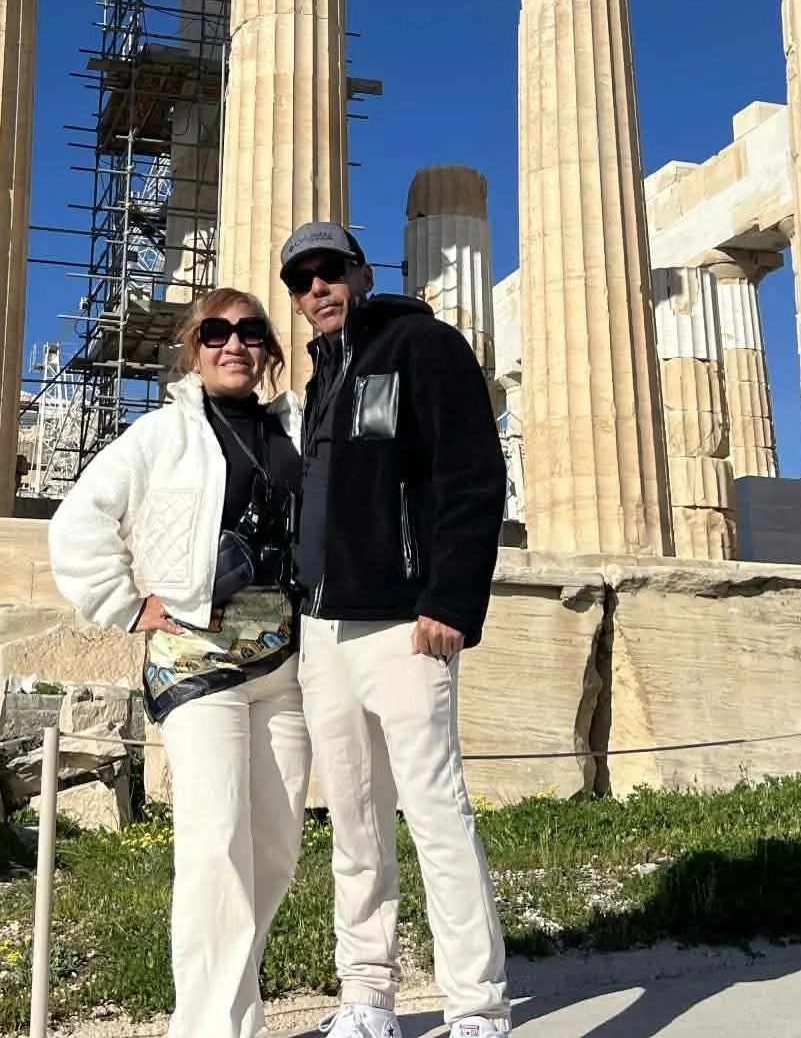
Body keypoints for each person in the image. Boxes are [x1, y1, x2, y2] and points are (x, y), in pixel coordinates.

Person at [49, 288, 308, 1038]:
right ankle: (209, 1028)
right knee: (213, 841)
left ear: (268, 350)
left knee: (275, 845)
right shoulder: (160, 435)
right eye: (217, 333)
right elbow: (81, 521)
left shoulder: (291, 428)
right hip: (196, 659)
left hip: (286, 661)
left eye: (252, 333)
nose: (235, 345)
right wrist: (128, 604)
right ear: (193, 349)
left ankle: (235, 1006)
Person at [279, 221, 511, 1038]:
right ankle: (367, 996)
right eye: (300, 280)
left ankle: (477, 1007)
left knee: (436, 813)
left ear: (362, 271)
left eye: (329, 270)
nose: (315, 289)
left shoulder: (424, 345)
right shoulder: (321, 378)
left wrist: (449, 599)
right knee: (354, 822)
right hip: (324, 629)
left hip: (406, 624)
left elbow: (473, 474)